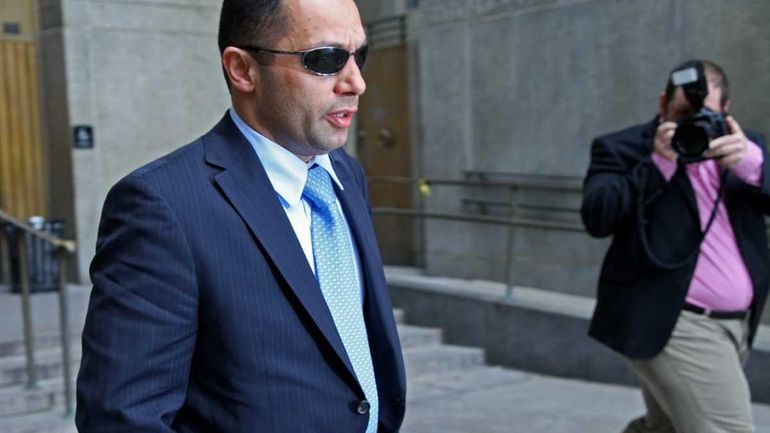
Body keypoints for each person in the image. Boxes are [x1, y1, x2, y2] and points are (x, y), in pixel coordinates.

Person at [75, 0, 406, 431]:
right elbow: (120, 419)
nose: (356, 82)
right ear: (243, 70)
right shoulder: (162, 206)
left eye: (359, 54)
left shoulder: (345, 174)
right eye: (325, 60)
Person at [582, 59, 770, 433]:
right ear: (662, 103)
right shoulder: (625, 148)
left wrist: (754, 166)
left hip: (737, 325)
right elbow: (597, 217)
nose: (692, 125)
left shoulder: (744, 147)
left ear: (726, 110)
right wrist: (657, 166)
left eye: (704, 114)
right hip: (673, 321)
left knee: (664, 428)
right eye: (683, 113)